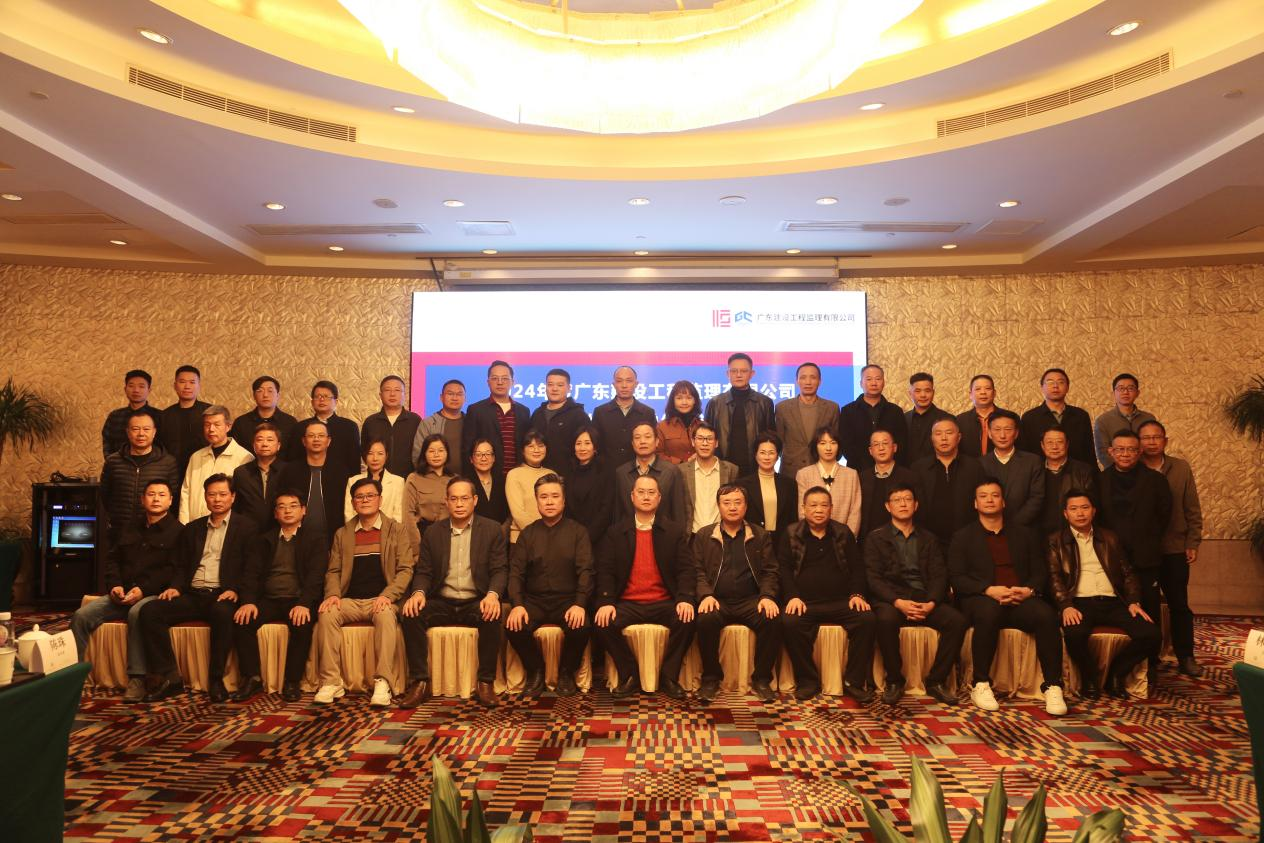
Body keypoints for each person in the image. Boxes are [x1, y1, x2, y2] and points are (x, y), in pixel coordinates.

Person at [948, 479, 1067, 716]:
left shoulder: (1024, 533)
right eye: (983, 496)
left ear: (1003, 502)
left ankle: (1053, 685)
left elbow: (1039, 571)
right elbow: (957, 577)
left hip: (1019, 597)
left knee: (1046, 615)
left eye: (995, 495)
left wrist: (1028, 590)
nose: (989, 500)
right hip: (981, 598)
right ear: (975, 503)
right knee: (988, 612)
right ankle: (981, 684)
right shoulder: (963, 536)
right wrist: (988, 590)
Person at [138, 474, 258, 703]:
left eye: (222, 494)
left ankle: (216, 679)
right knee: (150, 611)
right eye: (212, 494)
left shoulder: (247, 528)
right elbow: (181, 565)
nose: (217, 499)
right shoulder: (193, 528)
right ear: (205, 497)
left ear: (233, 497)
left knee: (223, 614)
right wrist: (175, 587)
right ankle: (169, 677)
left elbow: (251, 568)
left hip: (222, 594)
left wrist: (236, 590)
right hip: (193, 593)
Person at [399, 477, 507, 709]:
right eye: (454, 499)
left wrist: (492, 595)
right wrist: (418, 593)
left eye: (464, 498)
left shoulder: (492, 530)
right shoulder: (433, 532)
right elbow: (424, 571)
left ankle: (485, 682)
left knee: (492, 613)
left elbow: (499, 570)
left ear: (475, 500)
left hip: (475, 600)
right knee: (410, 612)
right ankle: (420, 682)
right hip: (443, 601)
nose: (459, 504)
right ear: (446, 502)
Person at [71, 479, 179, 703]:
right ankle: (73, 675)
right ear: (142, 499)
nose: (156, 499)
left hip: (152, 595)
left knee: (137, 613)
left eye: (161, 495)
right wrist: (115, 585)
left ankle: (136, 678)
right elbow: (113, 560)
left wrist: (143, 590)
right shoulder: (129, 527)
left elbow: (172, 571)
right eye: (151, 494)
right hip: (122, 593)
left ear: (170, 500)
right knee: (81, 616)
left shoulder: (179, 532)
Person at [1046, 490, 1160, 699]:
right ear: (1065, 514)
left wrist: (1133, 601)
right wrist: (1065, 605)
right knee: (1074, 634)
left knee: (1151, 634)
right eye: (1074, 509)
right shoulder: (1056, 540)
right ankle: (1090, 677)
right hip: (1079, 602)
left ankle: (1116, 674)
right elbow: (1054, 577)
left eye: (1085, 507)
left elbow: (1128, 573)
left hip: (1114, 602)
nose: (1080, 513)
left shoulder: (1110, 537)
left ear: (1094, 511)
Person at [313, 478, 415, 707]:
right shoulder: (343, 533)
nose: (365, 500)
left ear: (380, 499)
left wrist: (388, 596)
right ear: (353, 503)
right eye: (359, 497)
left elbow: (405, 569)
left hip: (382, 599)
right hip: (350, 600)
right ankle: (331, 682)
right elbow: (333, 571)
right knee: (327, 613)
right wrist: (333, 595)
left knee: (385, 615)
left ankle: (383, 681)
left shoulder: (396, 530)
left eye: (370, 495)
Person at [863, 483, 966, 705]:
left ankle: (936, 681)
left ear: (916, 505)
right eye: (897, 500)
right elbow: (874, 579)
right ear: (887, 506)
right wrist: (898, 602)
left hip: (923, 597)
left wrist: (931, 603)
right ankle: (894, 680)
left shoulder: (929, 538)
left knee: (957, 621)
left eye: (908, 499)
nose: (903, 504)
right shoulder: (875, 538)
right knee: (885, 620)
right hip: (892, 598)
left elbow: (939, 575)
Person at [595, 475, 696, 698]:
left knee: (687, 618)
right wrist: (606, 601)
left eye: (651, 492)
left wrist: (685, 599)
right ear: (632, 497)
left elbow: (686, 570)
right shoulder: (615, 532)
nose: (646, 497)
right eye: (641, 492)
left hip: (663, 602)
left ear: (659, 498)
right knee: (603, 622)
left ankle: (668, 676)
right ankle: (630, 674)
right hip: (628, 603)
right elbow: (606, 571)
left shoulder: (673, 531)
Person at [778, 485, 876, 703]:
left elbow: (857, 568)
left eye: (824, 505)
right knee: (789, 622)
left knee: (867, 619)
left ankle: (853, 681)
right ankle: (808, 681)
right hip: (805, 602)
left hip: (840, 601)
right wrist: (792, 596)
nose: (819, 510)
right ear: (804, 508)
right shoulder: (791, 533)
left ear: (831, 508)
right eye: (813, 505)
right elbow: (784, 569)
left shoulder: (842, 532)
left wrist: (857, 594)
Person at [230, 488, 326, 702]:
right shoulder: (263, 540)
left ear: (303, 510)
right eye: (281, 507)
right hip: (269, 600)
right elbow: (251, 574)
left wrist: (304, 603)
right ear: (275, 514)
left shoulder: (315, 539)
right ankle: (252, 678)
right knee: (242, 621)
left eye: (293, 506)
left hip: (298, 600)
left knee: (302, 624)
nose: (287, 511)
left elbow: (316, 577)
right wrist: (248, 602)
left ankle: (292, 681)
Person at [505, 474, 594, 697]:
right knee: (513, 626)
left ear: (564, 501)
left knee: (581, 625)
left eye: (555, 496)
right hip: (534, 601)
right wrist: (517, 605)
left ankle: (566, 672)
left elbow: (586, 571)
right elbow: (515, 573)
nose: (549, 501)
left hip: (568, 600)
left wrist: (580, 603)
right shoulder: (527, 534)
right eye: (543, 497)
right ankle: (535, 670)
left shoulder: (578, 532)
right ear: (537, 501)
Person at [693, 484, 781, 703]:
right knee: (705, 619)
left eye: (737, 502)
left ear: (746, 506)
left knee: (772, 618)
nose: (732, 507)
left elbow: (770, 571)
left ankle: (761, 679)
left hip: (751, 600)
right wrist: (705, 595)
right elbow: (697, 570)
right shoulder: (704, 535)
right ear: (719, 506)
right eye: (727, 503)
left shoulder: (760, 535)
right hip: (717, 600)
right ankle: (711, 679)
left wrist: (767, 596)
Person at [1097, 430, 1171, 685]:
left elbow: (1163, 516)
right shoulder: (1100, 480)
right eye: (1120, 449)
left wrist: (1144, 538)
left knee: (1148, 611)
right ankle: (1116, 664)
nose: (1125, 454)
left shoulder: (1156, 480)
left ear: (1139, 452)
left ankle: (1148, 665)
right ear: (1110, 452)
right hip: (1110, 559)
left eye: (1131, 449)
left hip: (1145, 557)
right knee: (1117, 609)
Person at [1139, 420, 1204, 677]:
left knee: (1179, 604)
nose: (1151, 442)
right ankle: (1150, 659)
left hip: (1175, 547)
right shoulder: (1133, 468)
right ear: (1138, 442)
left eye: (1156, 437)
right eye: (1146, 437)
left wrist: (1193, 541)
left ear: (1165, 440)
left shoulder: (1181, 468)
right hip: (1144, 551)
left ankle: (1186, 655)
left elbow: (1192, 507)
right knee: (1149, 605)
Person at [100, 410, 178, 538]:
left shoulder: (168, 462)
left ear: (154, 432)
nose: (141, 434)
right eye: (135, 429)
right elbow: (105, 494)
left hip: (156, 531)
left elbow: (173, 496)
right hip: (120, 530)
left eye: (146, 429)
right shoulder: (113, 461)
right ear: (127, 432)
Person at [911, 418, 987, 549]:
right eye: (938, 433)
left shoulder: (974, 467)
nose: (944, 438)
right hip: (927, 541)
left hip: (967, 539)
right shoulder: (918, 468)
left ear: (959, 437)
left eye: (949, 433)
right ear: (932, 438)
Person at [277, 420, 350, 546]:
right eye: (311, 436)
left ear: (328, 441)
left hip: (334, 539)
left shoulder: (341, 471)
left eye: (321, 435)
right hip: (296, 539)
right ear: (304, 441)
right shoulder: (290, 470)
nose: (316, 439)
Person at [703, 353, 776, 477]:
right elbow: (707, 437)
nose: (738, 375)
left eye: (743, 371)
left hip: (755, 469)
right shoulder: (715, 403)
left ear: (752, 373)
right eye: (734, 371)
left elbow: (772, 439)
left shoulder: (764, 403)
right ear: (728, 374)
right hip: (722, 469)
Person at [179, 405, 254, 524]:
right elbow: (185, 492)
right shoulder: (196, 457)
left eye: (217, 424)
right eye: (207, 425)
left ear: (228, 426)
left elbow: (244, 499)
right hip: (194, 525)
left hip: (227, 525)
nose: (211, 429)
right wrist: (184, 524)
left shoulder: (244, 457)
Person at [775, 362, 841, 481]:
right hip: (790, 472)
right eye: (803, 377)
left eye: (813, 377)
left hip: (822, 470)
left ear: (819, 381)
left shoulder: (832, 408)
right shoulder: (782, 408)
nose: (808, 382)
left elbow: (837, 441)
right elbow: (778, 442)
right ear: (797, 381)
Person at [463, 361, 530, 474]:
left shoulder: (523, 411)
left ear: (512, 382)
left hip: (517, 475)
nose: (500, 382)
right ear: (488, 382)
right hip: (486, 475)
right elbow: (467, 448)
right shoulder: (475, 410)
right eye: (495, 378)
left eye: (505, 378)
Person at [979, 411, 1044, 528]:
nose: (1002, 435)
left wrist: (1014, 525)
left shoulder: (1033, 461)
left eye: (1008, 429)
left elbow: (1037, 497)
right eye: (997, 429)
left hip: (1024, 528)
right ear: (989, 433)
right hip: (988, 528)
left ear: (1016, 433)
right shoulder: (980, 463)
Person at [838, 364, 909, 470]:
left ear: (883, 383)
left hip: (891, 470)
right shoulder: (848, 411)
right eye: (869, 379)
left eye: (878, 379)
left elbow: (902, 444)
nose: (874, 383)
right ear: (861, 383)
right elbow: (846, 445)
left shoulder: (895, 411)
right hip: (858, 471)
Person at [613, 422, 685, 524]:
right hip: (629, 532)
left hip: (663, 532)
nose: (642, 441)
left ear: (657, 441)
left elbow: (678, 512)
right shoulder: (621, 473)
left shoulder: (671, 472)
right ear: (632, 443)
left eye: (647, 437)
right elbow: (618, 513)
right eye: (637, 437)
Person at [794, 427, 861, 535]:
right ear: (815, 446)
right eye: (823, 443)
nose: (828, 448)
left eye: (833, 443)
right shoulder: (803, 474)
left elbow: (855, 512)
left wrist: (847, 538)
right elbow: (802, 511)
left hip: (844, 538)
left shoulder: (851, 474)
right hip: (812, 538)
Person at [1019, 369, 1094, 464]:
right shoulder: (1029, 418)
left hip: (1077, 472)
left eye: (1060, 382)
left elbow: (1089, 451)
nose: (1055, 386)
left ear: (1067, 388)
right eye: (1050, 382)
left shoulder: (1081, 416)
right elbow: (1024, 453)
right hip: (1040, 472)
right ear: (1042, 388)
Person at [289, 381, 361, 479]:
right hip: (305, 479)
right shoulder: (300, 427)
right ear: (312, 402)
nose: (321, 400)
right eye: (317, 396)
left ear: (336, 402)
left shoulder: (349, 427)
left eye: (326, 396)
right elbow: (293, 459)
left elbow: (354, 462)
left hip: (341, 480)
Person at [592, 366, 657, 469]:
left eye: (629, 381)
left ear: (636, 384)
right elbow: (595, 445)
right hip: (606, 471)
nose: (624, 385)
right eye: (619, 381)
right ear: (614, 385)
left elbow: (653, 445)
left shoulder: (647, 413)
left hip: (638, 471)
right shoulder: (600, 412)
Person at [857, 429, 917, 541]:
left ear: (894, 447)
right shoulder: (861, 478)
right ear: (870, 451)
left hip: (901, 540)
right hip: (868, 540)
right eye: (876, 444)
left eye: (885, 443)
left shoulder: (909, 477)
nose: (881, 448)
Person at [738, 432, 797, 545]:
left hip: (782, 542)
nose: (767, 457)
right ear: (755, 455)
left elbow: (793, 519)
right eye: (762, 453)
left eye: (771, 453)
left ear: (778, 455)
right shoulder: (742, 484)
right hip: (752, 541)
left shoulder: (790, 484)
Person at [528, 368, 591, 473]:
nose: (554, 389)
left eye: (560, 385)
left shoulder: (579, 415)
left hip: (569, 474)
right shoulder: (537, 413)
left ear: (569, 388)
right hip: (537, 473)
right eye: (550, 384)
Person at [1037, 428, 1097, 537]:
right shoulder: (1034, 470)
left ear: (1067, 444)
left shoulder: (1084, 471)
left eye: (1059, 442)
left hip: (1075, 533)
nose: (1055, 447)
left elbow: (1091, 506)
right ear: (1042, 445)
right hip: (1040, 533)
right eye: (1050, 442)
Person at [681, 422, 739, 533]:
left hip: (721, 534)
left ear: (716, 443)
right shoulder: (682, 471)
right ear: (693, 442)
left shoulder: (731, 470)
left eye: (709, 439)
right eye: (700, 438)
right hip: (692, 535)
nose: (705, 443)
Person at [361, 375, 422, 479]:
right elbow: (364, 451)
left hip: (408, 480)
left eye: (397, 390)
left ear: (404, 394)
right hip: (377, 480)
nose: (392, 394)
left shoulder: (415, 420)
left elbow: (420, 452)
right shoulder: (371, 422)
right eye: (387, 390)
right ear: (380, 395)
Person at [1093, 373, 1157, 468]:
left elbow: (1153, 448)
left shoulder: (1149, 418)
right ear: (1113, 393)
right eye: (1121, 388)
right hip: (1116, 473)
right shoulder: (1103, 421)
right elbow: (1103, 454)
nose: (1125, 392)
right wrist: (1120, 471)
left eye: (1130, 388)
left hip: (1146, 471)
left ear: (1137, 393)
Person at [159, 365, 210, 480]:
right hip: (172, 472)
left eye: (192, 382)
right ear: (175, 386)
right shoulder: (164, 416)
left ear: (199, 385)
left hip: (204, 469)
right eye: (182, 382)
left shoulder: (209, 413)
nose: (187, 386)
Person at [232, 422, 287, 528]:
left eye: (270, 440)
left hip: (279, 529)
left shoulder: (288, 471)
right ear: (253, 445)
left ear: (279, 445)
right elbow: (236, 506)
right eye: (259, 440)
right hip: (247, 530)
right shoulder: (241, 473)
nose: (264, 444)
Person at [567, 426, 614, 548]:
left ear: (595, 447)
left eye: (587, 443)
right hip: (572, 538)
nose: (582, 448)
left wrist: (588, 537)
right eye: (578, 443)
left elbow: (606, 509)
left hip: (599, 538)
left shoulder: (606, 471)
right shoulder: (569, 471)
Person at [505, 430, 554, 543]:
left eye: (540, 446)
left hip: (551, 539)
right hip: (522, 539)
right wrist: (541, 534)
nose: (536, 450)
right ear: (523, 450)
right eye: (531, 446)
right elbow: (518, 514)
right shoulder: (514, 474)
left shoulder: (552, 474)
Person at [344, 438, 405, 524]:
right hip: (359, 530)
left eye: (380, 453)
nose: (375, 458)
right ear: (365, 456)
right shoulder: (353, 481)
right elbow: (349, 515)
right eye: (370, 453)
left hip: (388, 531)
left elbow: (398, 516)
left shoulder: (398, 482)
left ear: (386, 456)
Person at [406, 433, 457, 537]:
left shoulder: (455, 480)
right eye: (431, 451)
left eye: (441, 450)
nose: (436, 455)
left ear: (447, 453)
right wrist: (415, 543)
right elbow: (408, 514)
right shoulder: (414, 478)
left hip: (451, 533)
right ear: (424, 454)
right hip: (423, 533)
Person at [101, 369, 161, 458]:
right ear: (125, 389)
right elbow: (107, 442)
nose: (136, 390)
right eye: (131, 386)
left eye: (141, 386)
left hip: (151, 465)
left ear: (149, 390)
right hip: (119, 464)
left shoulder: (159, 416)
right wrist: (112, 461)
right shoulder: (115, 416)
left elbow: (163, 446)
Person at [228, 376, 297, 451]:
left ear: (278, 395)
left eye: (270, 391)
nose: (265, 395)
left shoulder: (290, 422)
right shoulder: (241, 423)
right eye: (260, 391)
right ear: (254, 395)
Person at [956, 375, 1015, 458]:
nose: (983, 392)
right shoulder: (960, 420)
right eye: (978, 389)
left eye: (987, 388)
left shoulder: (1010, 418)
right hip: (970, 465)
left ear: (994, 393)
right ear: (970, 394)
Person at [415, 379, 466, 475]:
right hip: (435, 480)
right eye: (450, 394)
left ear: (465, 398)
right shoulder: (428, 423)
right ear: (441, 397)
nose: (455, 398)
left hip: (466, 480)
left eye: (459, 394)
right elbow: (418, 455)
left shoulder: (470, 422)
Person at [904, 372, 952, 467]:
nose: (923, 395)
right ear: (910, 393)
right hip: (908, 472)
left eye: (927, 390)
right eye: (918, 391)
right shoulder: (903, 419)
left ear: (933, 392)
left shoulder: (947, 419)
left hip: (937, 471)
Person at [656, 380, 703, 464]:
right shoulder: (662, 427)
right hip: (671, 471)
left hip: (699, 471)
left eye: (689, 398)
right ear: (673, 401)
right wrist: (682, 463)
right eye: (679, 398)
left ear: (695, 401)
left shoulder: (702, 425)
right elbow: (657, 455)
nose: (684, 402)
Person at [468, 437, 509, 524]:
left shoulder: (503, 481)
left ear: (494, 458)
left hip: (500, 530)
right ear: (471, 459)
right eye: (478, 454)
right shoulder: (465, 483)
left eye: (488, 454)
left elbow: (508, 514)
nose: (484, 458)